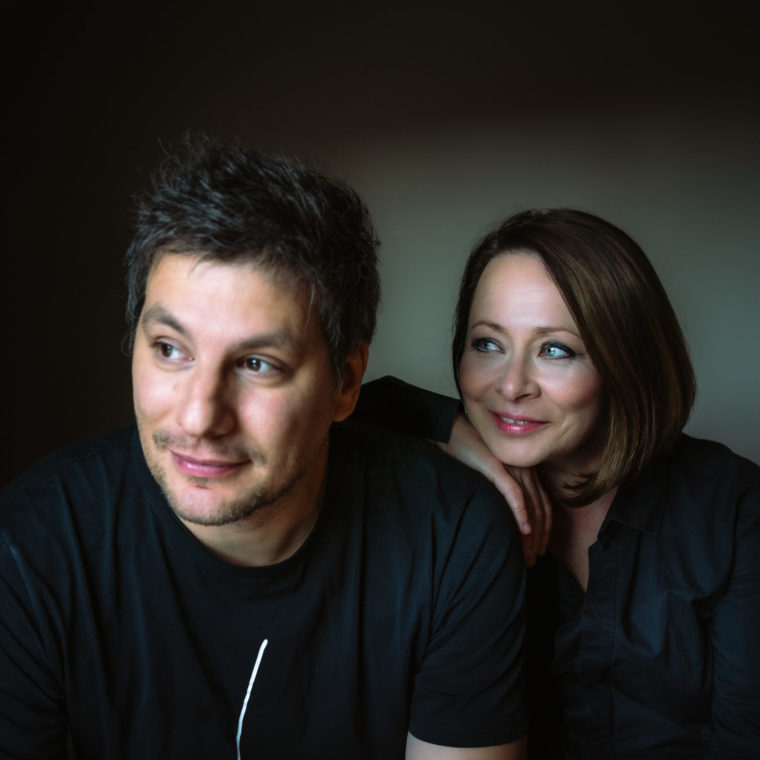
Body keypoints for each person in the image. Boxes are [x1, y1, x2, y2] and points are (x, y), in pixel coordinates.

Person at [0, 138, 528, 759]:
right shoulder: (32, 546)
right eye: (170, 349)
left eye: (257, 364)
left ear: (347, 383)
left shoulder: (453, 538)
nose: (199, 417)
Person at [355, 209, 760, 758]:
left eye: (555, 350)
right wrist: (469, 442)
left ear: (626, 362)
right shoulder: (455, 509)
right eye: (487, 344)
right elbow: (348, 407)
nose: (512, 384)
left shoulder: (735, 508)